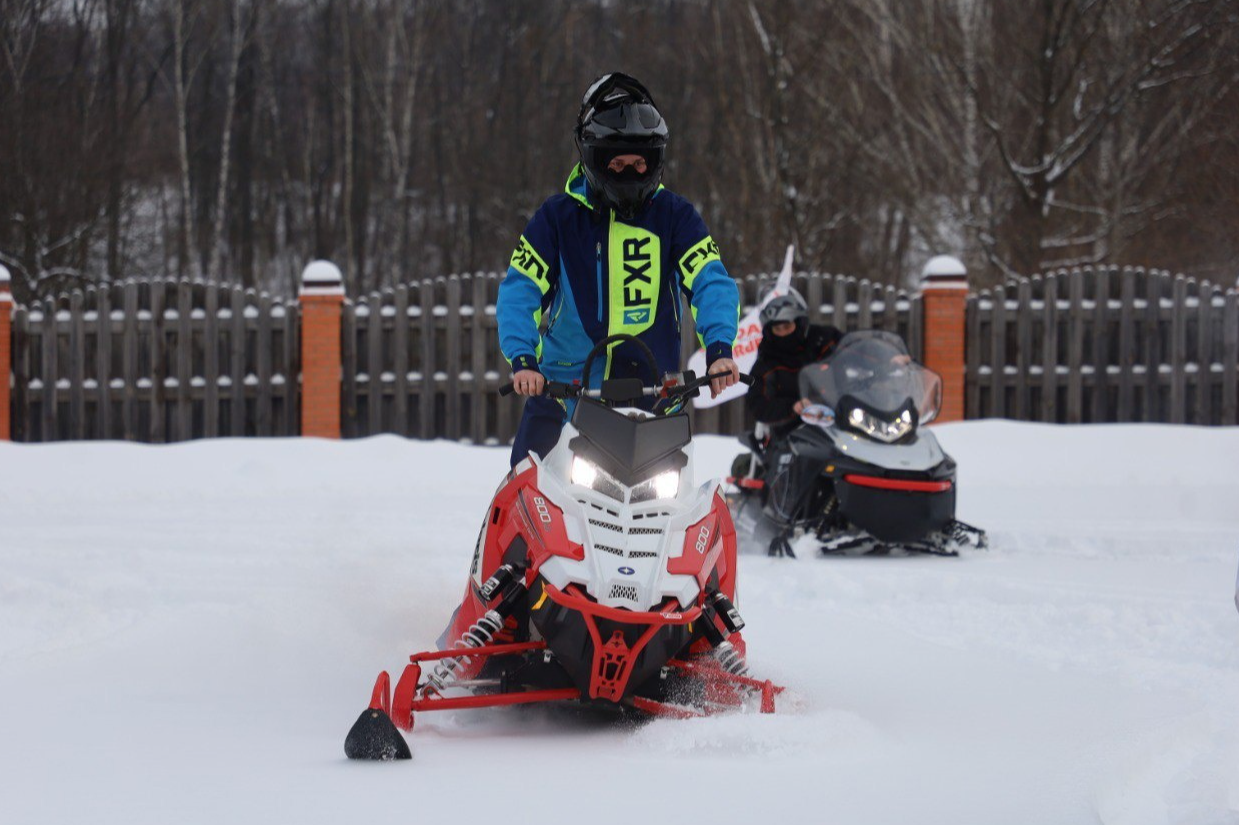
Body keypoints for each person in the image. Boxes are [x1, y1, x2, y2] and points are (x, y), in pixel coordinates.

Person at [498, 72, 741, 466]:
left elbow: (710, 280)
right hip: (565, 398)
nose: (630, 173)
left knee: (672, 516)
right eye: (618, 163)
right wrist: (523, 358)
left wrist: (719, 350)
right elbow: (520, 289)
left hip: (653, 402)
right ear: (593, 159)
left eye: (640, 164)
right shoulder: (557, 218)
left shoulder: (676, 217)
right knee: (524, 496)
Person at [746, 290, 842, 440]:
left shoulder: (822, 339)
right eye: (777, 329)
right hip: (791, 432)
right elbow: (759, 405)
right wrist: (792, 407)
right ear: (769, 331)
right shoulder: (766, 362)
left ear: (799, 324)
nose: (783, 333)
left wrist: (886, 359)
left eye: (787, 327)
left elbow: (852, 348)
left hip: (840, 417)